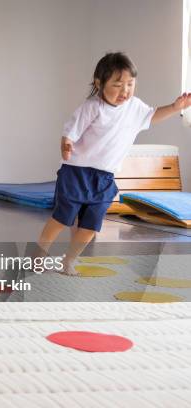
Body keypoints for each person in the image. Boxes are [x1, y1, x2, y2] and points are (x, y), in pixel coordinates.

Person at [37, 52, 191, 275]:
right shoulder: (93, 107)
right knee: (63, 217)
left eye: (130, 84)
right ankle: (39, 255)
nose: (125, 91)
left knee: (91, 225)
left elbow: (152, 116)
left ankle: (69, 260)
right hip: (77, 172)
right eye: (118, 85)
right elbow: (70, 130)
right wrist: (67, 144)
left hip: (105, 177)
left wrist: (176, 107)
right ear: (100, 83)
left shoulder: (134, 107)